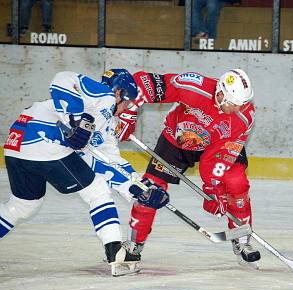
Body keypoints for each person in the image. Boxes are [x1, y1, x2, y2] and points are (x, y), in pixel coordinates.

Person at [0, 69, 168, 276]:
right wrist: (77, 120)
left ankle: (115, 249)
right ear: (119, 93)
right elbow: (62, 78)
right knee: (96, 190)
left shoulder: (106, 125)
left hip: (17, 145)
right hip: (42, 141)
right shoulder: (103, 95)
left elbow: (110, 163)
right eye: (127, 102)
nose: (126, 108)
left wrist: (141, 189)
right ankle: (115, 252)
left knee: (24, 205)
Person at [117, 69, 261, 268]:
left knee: (237, 183)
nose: (236, 108)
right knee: (151, 187)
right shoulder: (195, 87)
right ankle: (134, 245)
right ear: (219, 93)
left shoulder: (244, 117)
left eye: (240, 105)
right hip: (177, 140)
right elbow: (144, 82)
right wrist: (129, 113)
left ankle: (242, 239)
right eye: (232, 103)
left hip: (217, 147)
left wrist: (213, 189)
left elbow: (220, 156)